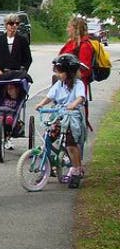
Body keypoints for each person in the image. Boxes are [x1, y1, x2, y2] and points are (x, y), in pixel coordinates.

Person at [35, 54, 86, 189]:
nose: (58, 74)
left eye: (60, 72)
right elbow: (50, 96)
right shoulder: (59, 84)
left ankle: (76, 170)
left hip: (72, 116)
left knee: (70, 144)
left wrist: (74, 104)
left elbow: (81, 97)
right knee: (48, 138)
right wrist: (41, 104)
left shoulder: (78, 84)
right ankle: (47, 166)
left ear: (69, 72)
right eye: (57, 71)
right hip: (59, 114)